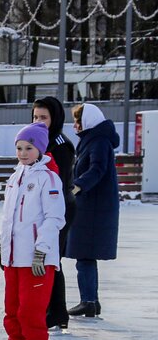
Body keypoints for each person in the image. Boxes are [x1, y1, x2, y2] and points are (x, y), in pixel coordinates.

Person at [0, 123, 64, 340]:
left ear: (40, 149)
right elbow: (8, 219)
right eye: (19, 148)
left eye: (29, 148)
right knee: (12, 312)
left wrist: (41, 251)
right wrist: (3, 249)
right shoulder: (16, 176)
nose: (23, 153)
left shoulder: (48, 178)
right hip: (14, 259)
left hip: (37, 260)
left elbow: (55, 217)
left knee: (31, 313)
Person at [65, 103, 119, 319]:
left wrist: (78, 185)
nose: (75, 125)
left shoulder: (98, 141)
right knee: (85, 255)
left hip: (93, 207)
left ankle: (88, 301)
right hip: (92, 205)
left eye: (78, 120)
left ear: (88, 121)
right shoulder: (94, 138)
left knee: (84, 254)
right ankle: (91, 301)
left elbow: (97, 168)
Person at [32, 97, 76, 332]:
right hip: (41, 209)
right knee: (46, 258)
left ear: (55, 118)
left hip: (59, 209)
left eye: (44, 118)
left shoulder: (59, 144)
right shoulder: (37, 140)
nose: (39, 121)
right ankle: (49, 310)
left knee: (51, 259)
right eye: (36, 117)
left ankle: (57, 313)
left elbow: (59, 183)